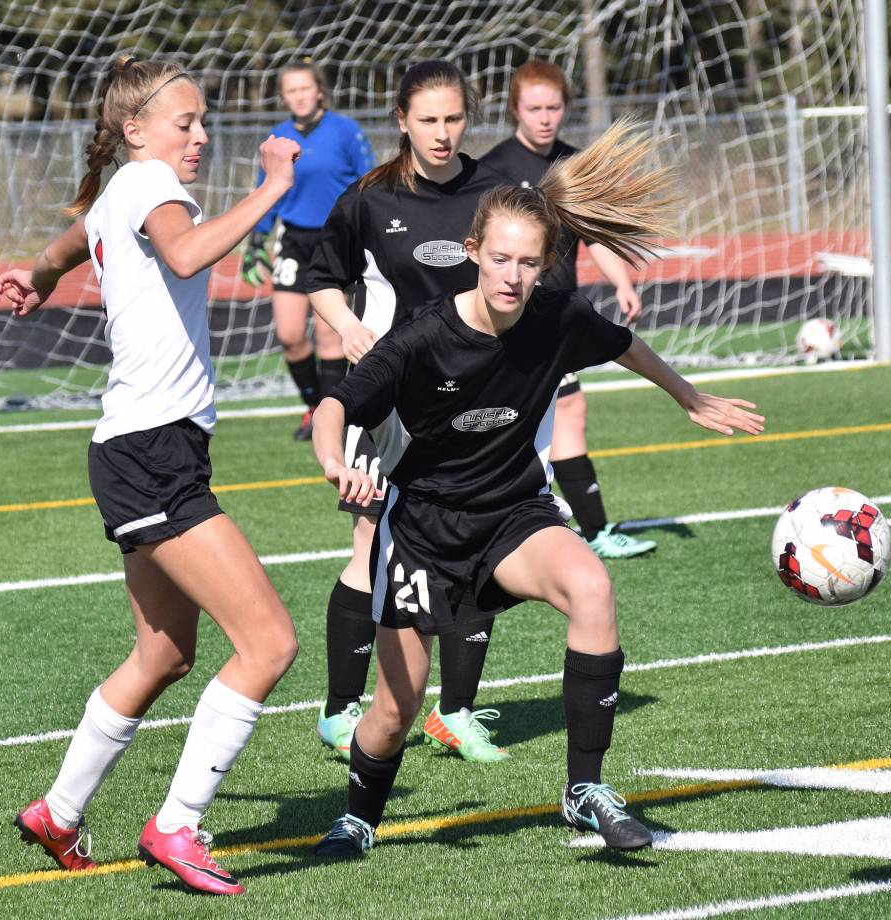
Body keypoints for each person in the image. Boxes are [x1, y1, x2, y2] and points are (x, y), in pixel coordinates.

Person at [308, 121, 765, 858]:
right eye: (499, 260)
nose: (513, 276)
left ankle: (584, 790)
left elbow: (622, 343)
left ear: (548, 262)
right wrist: (335, 461)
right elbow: (337, 405)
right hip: (424, 529)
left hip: (514, 516)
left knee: (591, 586)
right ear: (472, 255)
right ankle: (358, 817)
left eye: (528, 262)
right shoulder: (423, 339)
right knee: (396, 709)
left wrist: (689, 396)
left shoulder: (557, 317)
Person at [0, 55, 300, 897]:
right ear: (136, 131)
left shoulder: (121, 191)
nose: (200, 135)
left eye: (203, 123)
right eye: (185, 122)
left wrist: (43, 273)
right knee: (269, 643)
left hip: (138, 451)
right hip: (153, 451)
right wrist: (273, 186)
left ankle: (58, 811)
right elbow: (192, 253)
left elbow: (70, 239)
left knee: (164, 651)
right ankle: (178, 824)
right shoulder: (152, 185)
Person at [306, 60, 513, 764]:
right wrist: (347, 326)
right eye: (428, 119)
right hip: (389, 400)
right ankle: (340, 709)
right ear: (401, 121)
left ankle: (455, 712)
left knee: (481, 545)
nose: (442, 132)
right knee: (370, 539)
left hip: (477, 401)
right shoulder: (369, 198)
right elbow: (318, 279)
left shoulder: (495, 194)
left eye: (453, 118)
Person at [480, 59, 656, 560]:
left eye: (553, 107)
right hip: (518, 317)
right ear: (515, 108)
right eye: (534, 107)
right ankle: (587, 530)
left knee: (557, 415)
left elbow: (591, 237)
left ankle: (576, 526)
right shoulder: (493, 168)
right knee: (557, 415)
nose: (544, 117)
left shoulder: (574, 167)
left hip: (558, 315)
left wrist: (622, 280)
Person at [241, 60, 375, 440]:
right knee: (290, 333)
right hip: (294, 241)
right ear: (284, 96)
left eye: (305, 88)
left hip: (338, 240)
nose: (299, 96)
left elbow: (369, 182)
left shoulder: (345, 131)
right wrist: (256, 241)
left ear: (319, 90)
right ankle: (313, 405)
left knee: (330, 337)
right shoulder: (278, 138)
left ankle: (329, 418)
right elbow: (266, 191)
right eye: (291, 90)